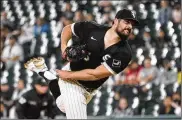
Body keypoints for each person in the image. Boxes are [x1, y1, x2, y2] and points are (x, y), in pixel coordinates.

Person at [24, 9, 139, 119]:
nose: (129, 26)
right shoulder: (93, 29)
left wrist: (66, 75)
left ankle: (48, 75)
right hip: (72, 77)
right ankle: (51, 76)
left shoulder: (125, 53)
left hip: (87, 86)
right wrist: (64, 48)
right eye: (126, 22)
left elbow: (95, 74)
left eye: (132, 24)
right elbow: (68, 29)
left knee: (63, 105)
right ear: (115, 21)